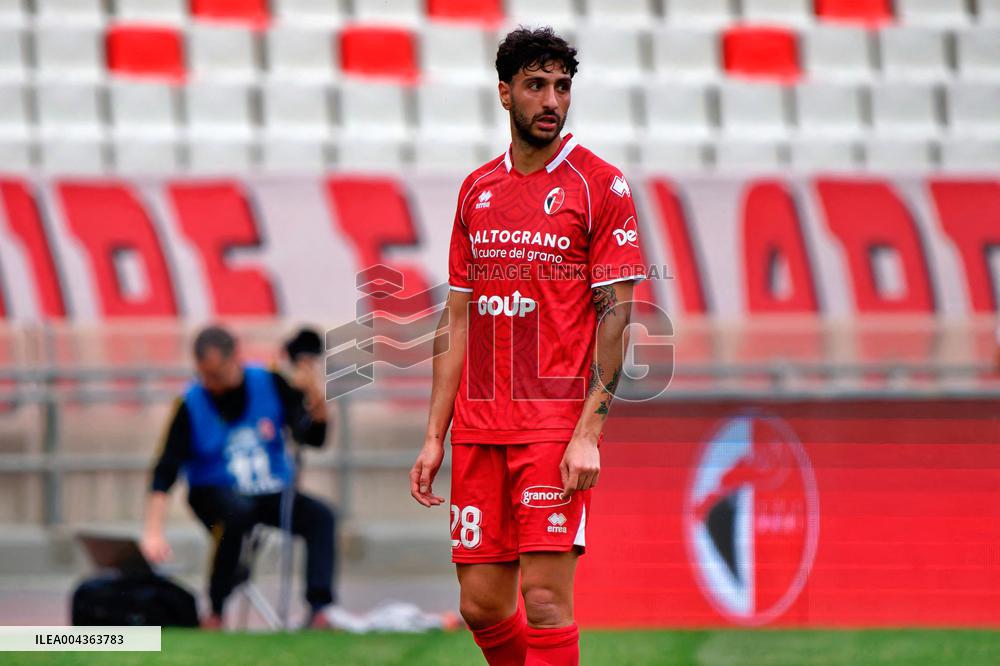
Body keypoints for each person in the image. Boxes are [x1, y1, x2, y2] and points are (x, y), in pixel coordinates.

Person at [409, 27, 644, 666]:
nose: (551, 100)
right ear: (505, 93)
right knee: (482, 605)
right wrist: (436, 434)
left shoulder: (600, 185)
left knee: (543, 600)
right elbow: (455, 319)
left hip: (551, 426)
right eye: (536, 85)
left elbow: (617, 319)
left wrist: (589, 431)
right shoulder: (475, 190)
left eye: (561, 87)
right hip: (480, 428)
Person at [140, 325, 337, 629]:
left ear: (235, 360)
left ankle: (320, 609)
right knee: (237, 514)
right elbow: (165, 469)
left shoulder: (269, 382)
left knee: (321, 517)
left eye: (216, 374)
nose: (211, 383)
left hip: (269, 491)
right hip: (214, 491)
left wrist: (315, 395)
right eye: (205, 375)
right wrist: (153, 530)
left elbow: (313, 436)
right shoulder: (191, 403)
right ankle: (216, 610)